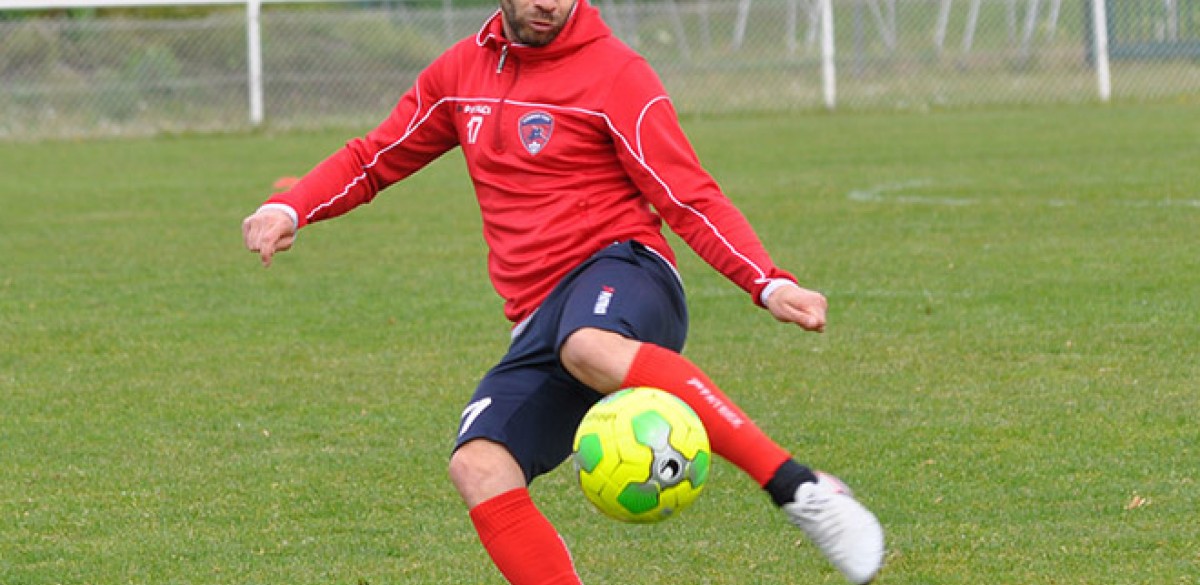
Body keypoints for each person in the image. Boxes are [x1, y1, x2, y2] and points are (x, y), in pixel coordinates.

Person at [240, 0, 884, 581]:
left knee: (588, 344)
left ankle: (802, 492)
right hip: (538, 317)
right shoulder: (461, 72)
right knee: (480, 466)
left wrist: (767, 281)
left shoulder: (616, 74)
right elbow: (374, 157)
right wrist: (291, 209)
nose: (548, 2)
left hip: (628, 271)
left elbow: (688, 194)